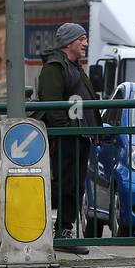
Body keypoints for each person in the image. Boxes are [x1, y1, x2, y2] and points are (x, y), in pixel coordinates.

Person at [36, 23, 99, 254]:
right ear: (69, 43)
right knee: (66, 185)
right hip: (67, 137)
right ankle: (62, 232)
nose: (85, 43)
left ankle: (64, 230)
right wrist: (66, 131)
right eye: (82, 39)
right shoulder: (55, 67)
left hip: (78, 135)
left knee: (75, 185)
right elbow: (52, 105)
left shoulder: (73, 66)